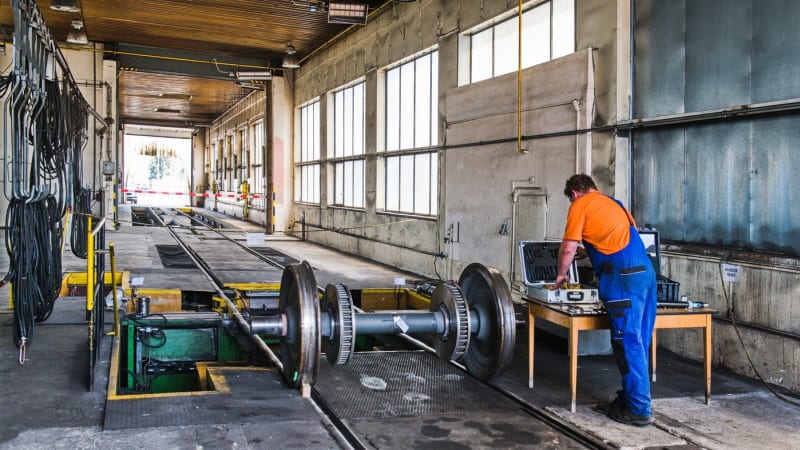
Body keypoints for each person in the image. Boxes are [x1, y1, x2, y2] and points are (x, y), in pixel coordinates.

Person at [554, 174, 657, 427]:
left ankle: (639, 409)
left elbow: (567, 247)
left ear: (574, 194)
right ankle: (629, 398)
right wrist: (586, 250)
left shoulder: (580, 204)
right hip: (645, 276)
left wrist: (561, 273)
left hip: (624, 281)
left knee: (627, 343)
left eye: (571, 199)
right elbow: (613, 242)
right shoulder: (614, 203)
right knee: (639, 341)